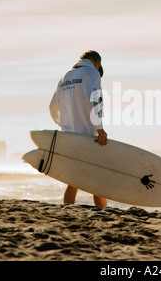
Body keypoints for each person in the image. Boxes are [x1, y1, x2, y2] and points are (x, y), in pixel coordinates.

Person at [49, 50, 107, 206]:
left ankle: (68, 211)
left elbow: (53, 107)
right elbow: (93, 99)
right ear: (97, 63)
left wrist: (63, 124)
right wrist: (99, 128)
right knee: (98, 180)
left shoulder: (65, 76)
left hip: (69, 136)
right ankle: (102, 213)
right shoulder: (92, 73)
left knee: (73, 180)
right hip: (89, 136)